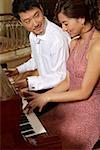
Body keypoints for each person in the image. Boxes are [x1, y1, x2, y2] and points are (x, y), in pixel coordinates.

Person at [23, 0, 100, 149]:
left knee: (66, 134)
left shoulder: (97, 46)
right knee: (44, 127)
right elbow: (67, 81)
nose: (63, 29)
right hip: (72, 101)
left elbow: (84, 92)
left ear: (81, 19)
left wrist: (48, 96)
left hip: (91, 105)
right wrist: (41, 97)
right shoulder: (74, 42)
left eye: (65, 23)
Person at [8, 0, 70, 92]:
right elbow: (37, 60)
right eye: (27, 21)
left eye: (36, 15)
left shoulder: (57, 38)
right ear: (21, 23)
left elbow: (61, 76)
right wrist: (18, 70)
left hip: (60, 89)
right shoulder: (32, 35)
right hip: (46, 84)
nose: (35, 24)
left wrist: (29, 82)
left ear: (41, 9)